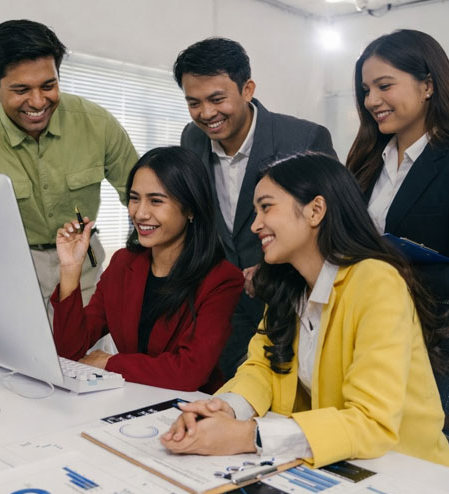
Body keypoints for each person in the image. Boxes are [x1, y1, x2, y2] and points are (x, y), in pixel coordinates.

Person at [161, 153, 449, 467]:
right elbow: (262, 368)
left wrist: (248, 436)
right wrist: (224, 408)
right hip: (341, 463)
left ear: (315, 210)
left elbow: (371, 420)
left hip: (405, 471)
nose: (255, 225)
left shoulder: (376, 282)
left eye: (266, 207)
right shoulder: (291, 284)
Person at [0, 19, 138, 314]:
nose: (37, 102)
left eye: (48, 86)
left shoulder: (97, 123)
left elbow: (142, 197)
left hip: (83, 266)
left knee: (85, 344)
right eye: (21, 89)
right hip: (10, 270)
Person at [173, 37, 336, 380]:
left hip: (289, 305)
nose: (206, 114)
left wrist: (272, 270)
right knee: (232, 395)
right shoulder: (192, 138)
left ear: (247, 89)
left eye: (217, 99)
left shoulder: (303, 140)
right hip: (222, 310)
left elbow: (333, 226)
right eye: (194, 103)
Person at [51, 146, 243, 392]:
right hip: (131, 397)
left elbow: (189, 372)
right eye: (134, 198)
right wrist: (70, 268)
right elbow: (69, 351)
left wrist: (109, 362)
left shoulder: (222, 280)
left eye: (156, 201)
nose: (140, 213)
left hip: (190, 406)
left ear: (190, 208)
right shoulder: (124, 263)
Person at [346, 29, 449, 429]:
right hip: (370, 337)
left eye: (384, 86)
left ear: (427, 85)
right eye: (366, 90)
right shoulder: (365, 161)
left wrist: (399, 265)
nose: (371, 100)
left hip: (435, 344)